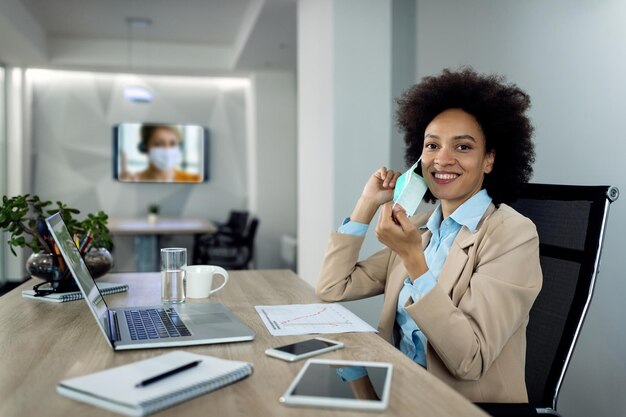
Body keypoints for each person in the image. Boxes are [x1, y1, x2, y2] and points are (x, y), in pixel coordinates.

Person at [317, 68, 542, 403]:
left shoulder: (513, 235)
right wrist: (367, 203)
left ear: (489, 159)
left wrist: (413, 261)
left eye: (463, 147)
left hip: (461, 406)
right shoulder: (420, 227)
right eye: (432, 145)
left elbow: (471, 359)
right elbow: (333, 287)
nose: (442, 159)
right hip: (401, 395)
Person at [120, 124, 201, 182]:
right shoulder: (133, 180)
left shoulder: (195, 180)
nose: (167, 150)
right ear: (144, 148)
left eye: (172, 144)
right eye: (158, 144)